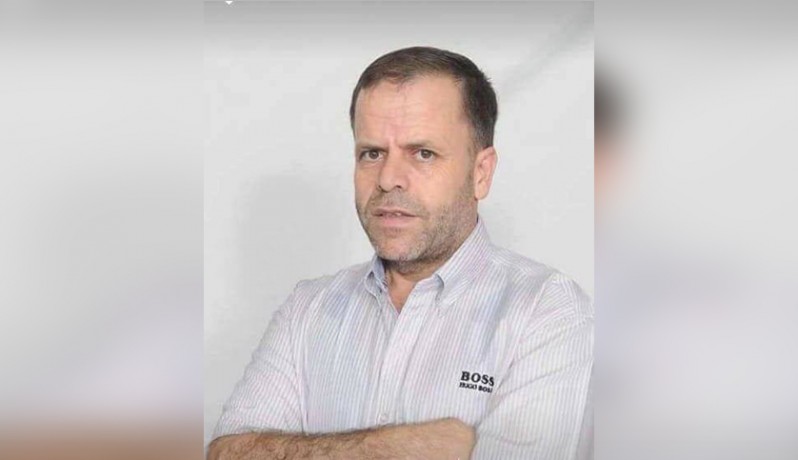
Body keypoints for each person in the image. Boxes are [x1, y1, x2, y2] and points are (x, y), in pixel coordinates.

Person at [208, 46, 593, 460]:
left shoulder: (545, 309)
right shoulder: (307, 310)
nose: (389, 178)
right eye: (372, 153)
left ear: (480, 174)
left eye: (423, 153)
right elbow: (228, 453)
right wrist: (408, 446)